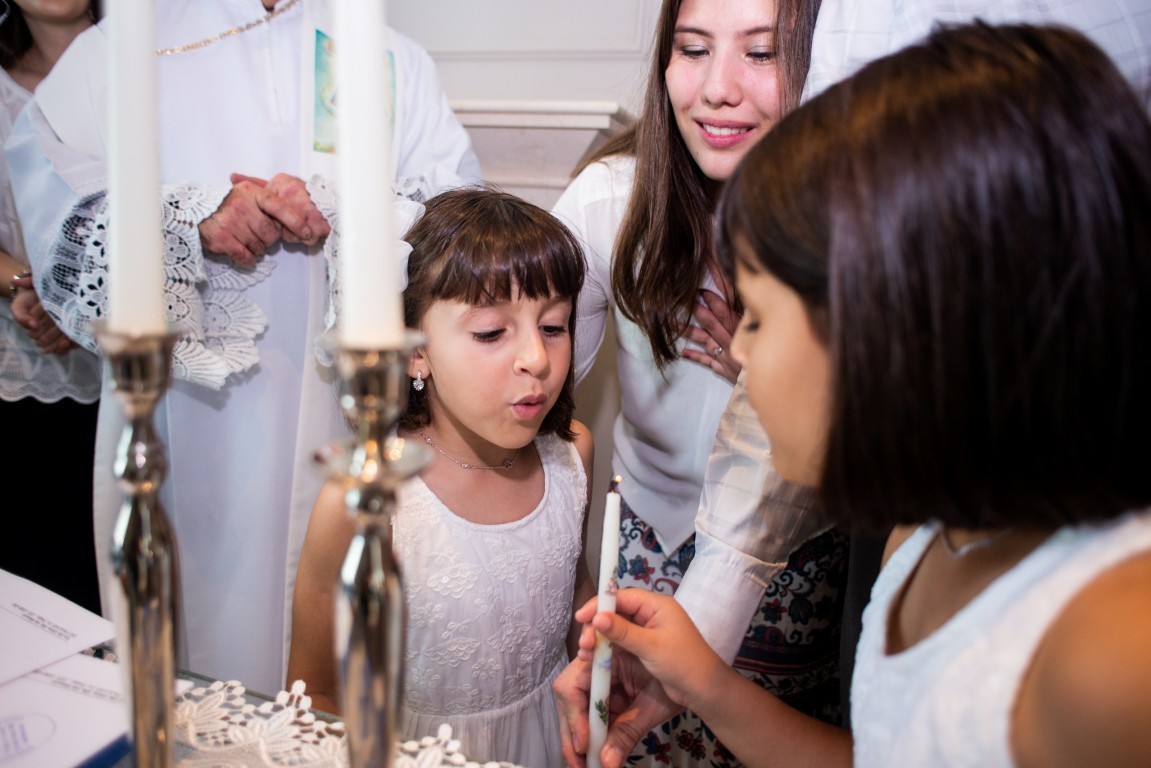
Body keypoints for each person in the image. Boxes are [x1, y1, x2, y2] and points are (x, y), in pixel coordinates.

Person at [560, 20, 1151, 768]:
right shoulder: (922, 539)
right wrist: (703, 681)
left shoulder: (1111, 653)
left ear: (890, 326)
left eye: (763, 318)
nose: (737, 354)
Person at [4, 0, 480, 695]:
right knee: (189, 659)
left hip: (343, 413)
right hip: (186, 418)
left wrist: (340, 207)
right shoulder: (122, 46)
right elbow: (53, 199)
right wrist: (188, 214)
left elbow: (460, 222)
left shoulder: (389, 58)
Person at [551, 0, 847, 762]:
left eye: (761, 53)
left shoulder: (854, 222)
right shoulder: (608, 201)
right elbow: (532, 386)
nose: (717, 88)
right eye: (692, 47)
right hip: (645, 536)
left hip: (789, 561)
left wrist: (777, 376)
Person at [286, 186, 595, 766]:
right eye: (490, 333)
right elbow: (316, 692)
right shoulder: (366, 498)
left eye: (554, 325)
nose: (537, 358)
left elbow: (573, 596)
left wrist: (601, 661)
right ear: (414, 353)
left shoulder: (571, 456)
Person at [0, 0, 103, 613]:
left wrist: (82, 297)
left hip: (153, 373)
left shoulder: (157, 65)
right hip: (30, 366)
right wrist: (30, 287)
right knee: (43, 587)